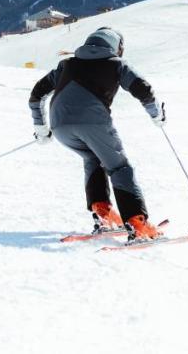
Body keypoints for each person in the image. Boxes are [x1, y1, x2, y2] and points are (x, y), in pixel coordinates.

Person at [28, 27, 166, 242]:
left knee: (93, 158)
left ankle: (104, 216)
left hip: (60, 126)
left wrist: (42, 128)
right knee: (119, 167)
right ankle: (138, 225)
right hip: (93, 123)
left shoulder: (67, 64)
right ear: (117, 47)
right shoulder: (117, 64)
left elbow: (37, 95)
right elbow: (143, 89)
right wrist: (157, 115)